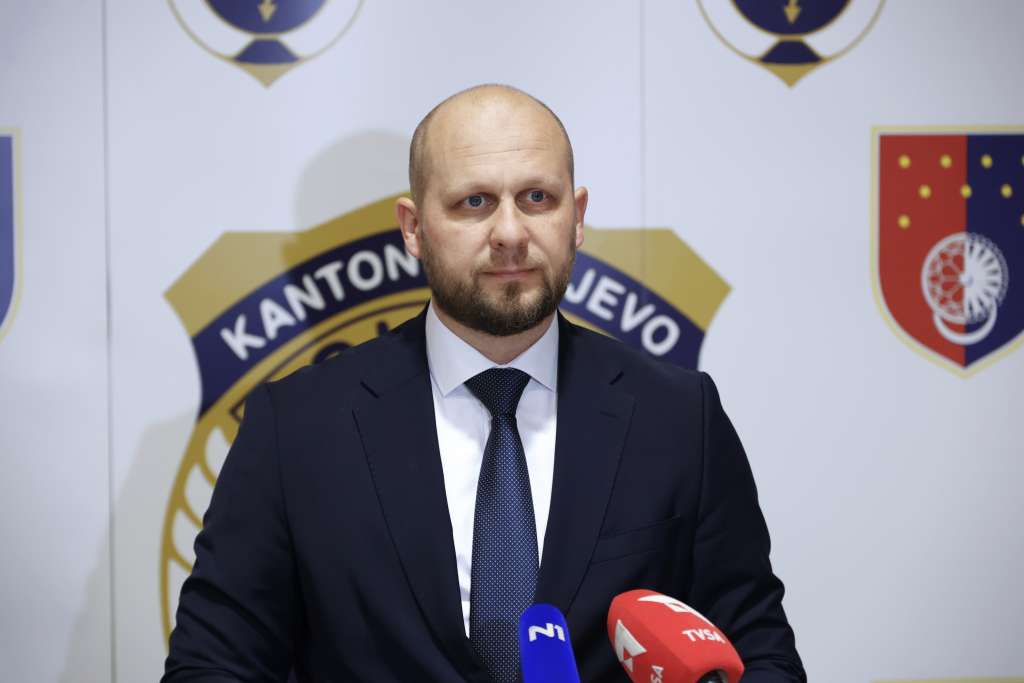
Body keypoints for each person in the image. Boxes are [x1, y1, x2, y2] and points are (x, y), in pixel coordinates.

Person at [164, 84, 805, 682]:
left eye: (538, 198)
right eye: (474, 202)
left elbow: (758, 649)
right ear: (413, 228)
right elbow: (212, 664)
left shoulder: (679, 417)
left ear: (577, 217)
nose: (510, 234)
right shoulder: (296, 428)